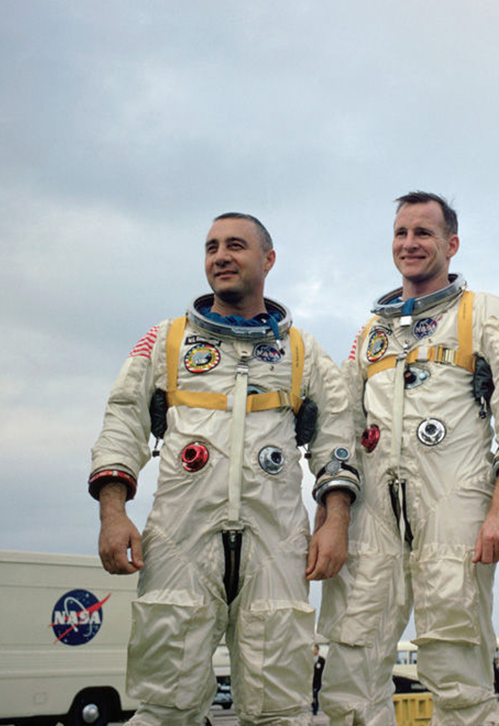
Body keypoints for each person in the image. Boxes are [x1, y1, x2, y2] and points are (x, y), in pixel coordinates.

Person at [89, 213, 358, 726]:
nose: (221, 256)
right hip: (179, 538)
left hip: (277, 542)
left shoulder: (302, 351)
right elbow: (122, 419)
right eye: (212, 247)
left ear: (268, 259)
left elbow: (338, 437)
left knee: (279, 707)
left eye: (236, 245)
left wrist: (336, 519)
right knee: (165, 703)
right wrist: (112, 512)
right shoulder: (166, 341)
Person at [318, 192, 499, 726]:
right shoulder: (372, 332)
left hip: (456, 503)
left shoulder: (484, 313)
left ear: (451, 244)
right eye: (401, 233)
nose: (409, 243)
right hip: (373, 510)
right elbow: (341, 428)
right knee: (350, 665)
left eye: (423, 233)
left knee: (456, 663)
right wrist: (332, 517)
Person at [312, 645, 325, 716]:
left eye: (315, 649)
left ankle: (315, 709)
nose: (314, 651)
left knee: (316, 695)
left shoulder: (322, 660)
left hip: (318, 680)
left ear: (318, 650)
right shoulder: (310, 659)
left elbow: (324, 671)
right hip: (311, 680)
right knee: (312, 695)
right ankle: (313, 706)